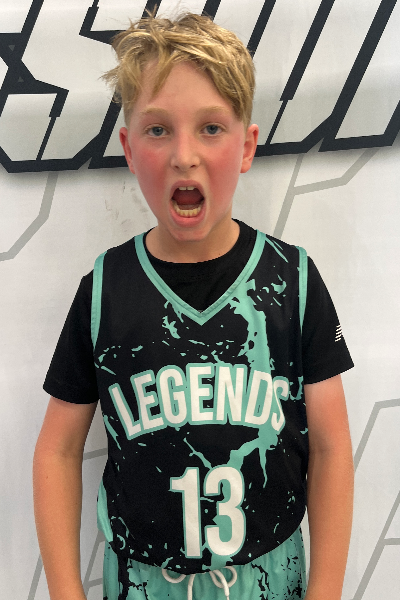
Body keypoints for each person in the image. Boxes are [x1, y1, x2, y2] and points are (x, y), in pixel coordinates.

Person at [33, 12, 354, 600]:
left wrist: (327, 589)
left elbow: (332, 449)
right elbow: (57, 449)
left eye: (210, 128)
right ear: (129, 149)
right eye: (158, 129)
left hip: (270, 578)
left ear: (246, 147)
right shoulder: (105, 290)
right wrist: (63, 591)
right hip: (143, 582)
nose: (184, 155)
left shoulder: (293, 281)